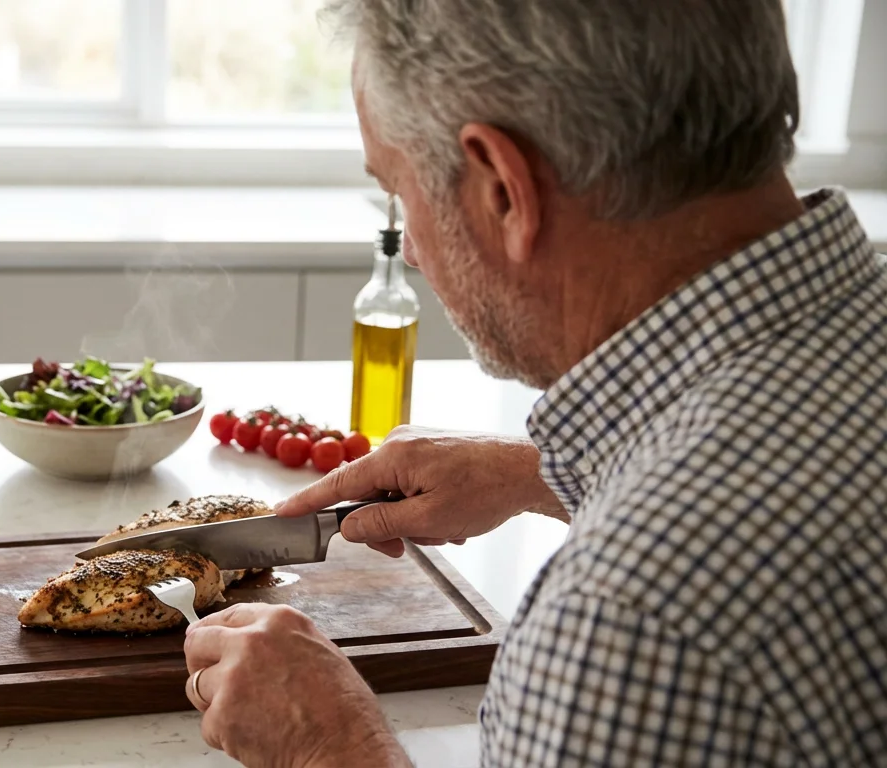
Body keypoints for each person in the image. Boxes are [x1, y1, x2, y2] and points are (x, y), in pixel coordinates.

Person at [181, 0, 887, 765]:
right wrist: (537, 475)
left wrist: (329, 745)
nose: (412, 251)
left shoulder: (626, 623)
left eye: (400, 193)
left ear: (503, 191)